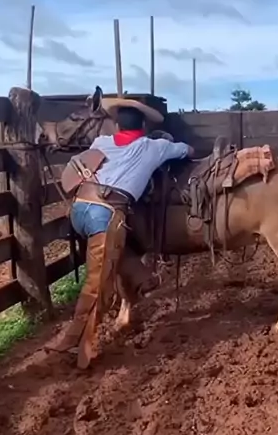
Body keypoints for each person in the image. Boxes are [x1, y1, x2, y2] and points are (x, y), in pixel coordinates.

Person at [49, 98, 193, 368]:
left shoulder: (101, 142)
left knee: (117, 252)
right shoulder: (154, 147)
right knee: (98, 284)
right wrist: (172, 144)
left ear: (116, 125)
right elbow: (187, 150)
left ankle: (141, 276)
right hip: (106, 214)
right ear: (143, 127)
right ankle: (80, 348)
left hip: (79, 210)